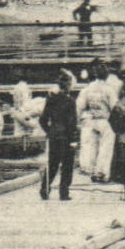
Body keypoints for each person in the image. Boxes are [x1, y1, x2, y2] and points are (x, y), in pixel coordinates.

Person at [40, 72, 78, 200]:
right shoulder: (70, 101)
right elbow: (72, 123)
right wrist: (74, 139)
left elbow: (42, 120)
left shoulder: (51, 99)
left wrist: (49, 131)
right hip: (66, 136)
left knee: (52, 164)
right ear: (67, 85)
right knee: (67, 165)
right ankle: (64, 192)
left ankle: (44, 189)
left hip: (54, 135)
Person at [76, 62, 116, 182]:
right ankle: (101, 172)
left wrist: (77, 121)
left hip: (92, 119)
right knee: (105, 148)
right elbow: (114, 107)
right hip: (105, 120)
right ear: (106, 75)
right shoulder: (109, 89)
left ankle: (91, 169)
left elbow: (79, 107)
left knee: (92, 147)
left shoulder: (87, 89)